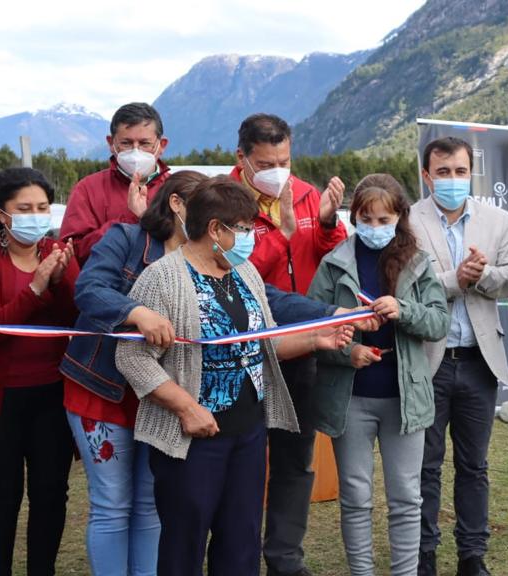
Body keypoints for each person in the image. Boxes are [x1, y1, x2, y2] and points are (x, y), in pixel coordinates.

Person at [62, 171, 367, 576]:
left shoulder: (245, 273)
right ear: (215, 230)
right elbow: (133, 359)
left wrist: (315, 339)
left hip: (247, 431)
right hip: (192, 437)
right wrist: (186, 408)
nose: (250, 237)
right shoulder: (162, 278)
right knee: (184, 544)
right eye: (243, 229)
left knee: (241, 541)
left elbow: (259, 342)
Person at [307, 174, 448, 576]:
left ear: (400, 217)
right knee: (355, 497)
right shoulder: (335, 263)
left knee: (406, 498)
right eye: (365, 219)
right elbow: (313, 327)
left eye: (383, 220)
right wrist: (348, 352)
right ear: (353, 217)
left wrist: (404, 311)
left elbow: (439, 322)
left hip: (405, 399)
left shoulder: (418, 262)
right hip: (351, 399)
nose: (373, 228)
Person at [229, 113, 347, 576]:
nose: (278, 171)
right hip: (247, 349)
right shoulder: (224, 202)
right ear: (241, 158)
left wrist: (329, 223)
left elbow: (331, 259)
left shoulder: (306, 193)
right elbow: (235, 273)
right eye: (265, 163)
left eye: (285, 161)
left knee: (295, 460)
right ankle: (236, 557)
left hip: (304, 345)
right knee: (241, 462)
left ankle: (285, 558)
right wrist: (282, 235)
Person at [0, 167, 79, 576]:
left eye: (42, 207)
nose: (35, 216)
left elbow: (75, 316)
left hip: (52, 393)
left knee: (51, 494)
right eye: (24, 208)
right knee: (2, 498)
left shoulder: (56, 250)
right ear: (3, 213)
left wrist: (60, 282)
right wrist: (36, 288)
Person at [408, 137, 508, 576]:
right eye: (443, 172)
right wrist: (455, 280)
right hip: (428, 362)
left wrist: (483, 275)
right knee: (425, 466)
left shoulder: (497, 220)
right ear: (426, 176)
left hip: (479, 361)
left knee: (474, 466)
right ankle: (423, 555)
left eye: (459, 171)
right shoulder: (409, 221)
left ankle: (472, 556)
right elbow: (405, 288)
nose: (452, 179)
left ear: (471, 173)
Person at [61, 102, 172, 265]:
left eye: (145, 143)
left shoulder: (177, 190)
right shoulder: (87, 189)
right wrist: (127, 220)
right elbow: (73, 254)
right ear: (111, 143)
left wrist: (148, 221)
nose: (136, 151)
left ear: (161, 145)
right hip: (106, 279)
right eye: (126, 143)